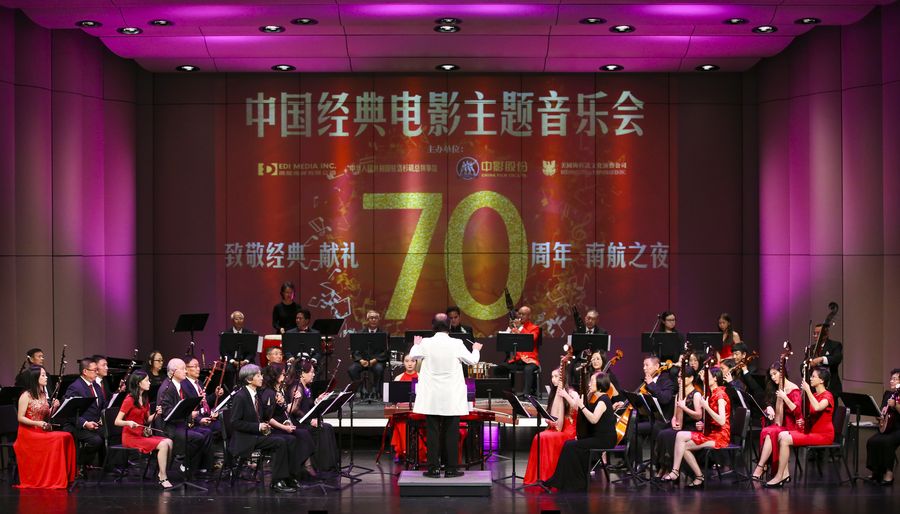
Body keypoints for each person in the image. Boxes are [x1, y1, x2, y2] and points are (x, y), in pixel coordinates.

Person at [409, 313, 482, 478]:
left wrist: (415, 344)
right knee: (451, 433)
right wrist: (476, 350)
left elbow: (413, 356)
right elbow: (472, 361)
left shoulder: (425, 343)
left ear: (432, 327)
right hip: (451, 396)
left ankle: (433, 469)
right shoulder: (457, 343)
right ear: (449, 326)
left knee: (432, 432)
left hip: (432, 396)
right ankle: (451, 469)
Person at [544, 372, 617, 492]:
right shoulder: (596, 397)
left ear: (600, 383)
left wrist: (582, 406)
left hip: (605, 440)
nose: (589, 384)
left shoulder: (603, 400)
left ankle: (568, 482)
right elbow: (585, 415)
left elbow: (593, 419)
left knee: (571, 446)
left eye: (592, 381)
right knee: (568, 444)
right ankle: (562, 480)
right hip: (596, 437)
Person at [228, 364, 296, 492]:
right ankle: (276, 482)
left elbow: (265, 415)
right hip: (245, 438)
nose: (261, 378)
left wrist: (277, 403)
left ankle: (288, 477)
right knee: (279, 442)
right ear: (249, 379)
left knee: (290, 439)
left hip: (256, 435)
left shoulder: (257, 394)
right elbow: (235, 423)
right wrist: (258, 426)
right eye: (258, 375)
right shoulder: (241, 396)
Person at [764, 366, 835, 488]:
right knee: (781, 434)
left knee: (785, 439)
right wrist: (804, 421)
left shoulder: (827, 396)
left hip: (823, 435)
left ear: (822, 380)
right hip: (812, 432)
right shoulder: (814, 395)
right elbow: (811, 415)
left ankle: (780, 476)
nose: (810, 379)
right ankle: (784, 473)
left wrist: (807, 391)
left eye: (813, 376)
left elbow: (817, 407)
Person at [661, 366, 731, 487]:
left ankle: (695, 475)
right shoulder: (711, 393)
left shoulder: (720, 395)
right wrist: (703, 424)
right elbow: (712, 419)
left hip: (720, 436)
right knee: (680, 436)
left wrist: (706, 407)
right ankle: (677, 471)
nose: (704, 378)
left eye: (707, 376)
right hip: (711, 432)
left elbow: (721, 421)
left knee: (683, 446)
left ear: (715, 378)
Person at [13, 366, 76, 489]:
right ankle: (55, 478)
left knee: (67, 436)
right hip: (28, 433)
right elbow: (20, 418)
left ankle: (65, 476)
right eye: (43, 375)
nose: (46, 377)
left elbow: (46, 415)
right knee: (58, 439)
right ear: (35, 378)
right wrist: (38, 423)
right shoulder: (25, 395)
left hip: (41, 431)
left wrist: (54, 407)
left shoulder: (42, 394)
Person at [115, 370, 174, 489]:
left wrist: (156, 414)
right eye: (147, 380)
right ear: (138, 383)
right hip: (130, 437)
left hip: (141, 435)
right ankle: (163, 477)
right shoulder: (129, 399)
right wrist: (128, 422)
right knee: (163, 445)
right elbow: (117, 421)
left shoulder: (145, 398)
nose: (149, 383)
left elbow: (147, 420)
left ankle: (160, 472)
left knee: (169, 441)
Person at [156, 358, 212, 475]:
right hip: (169, 428)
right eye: (182, 369)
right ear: (173, 372)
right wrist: (189, 415)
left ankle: (194, 467)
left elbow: (185, 407)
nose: (185, 371)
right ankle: (187, 466)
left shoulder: (178, 385)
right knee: (197, 438)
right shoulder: (167, 388)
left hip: (179, 424)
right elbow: (167, 413)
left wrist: (196, 415)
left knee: (206, 432)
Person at [260, 363, 315, 481]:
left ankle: (301, 468)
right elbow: (267, 418)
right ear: (275, 376)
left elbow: (286, 409)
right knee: (300, 435)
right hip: (274, 428)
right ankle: (300, 469)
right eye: (282, 374)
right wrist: (284, 427)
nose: (285, 376)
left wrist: (295, 400)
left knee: (303, 433)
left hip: (283, 423)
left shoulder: (280, 390)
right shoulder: (269, 393)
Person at [524, 367, 578, 484]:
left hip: (569, 431)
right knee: (539, 437)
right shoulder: (554, 394)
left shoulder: (573, 393)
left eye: (556, 376)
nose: (553, 379)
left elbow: (578, 407)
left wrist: (565, 395)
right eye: (552, 377)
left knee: (545, 437)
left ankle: (551, 477)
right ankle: (539, 477)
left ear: (563, 378)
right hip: (558, 429)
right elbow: (555, 418)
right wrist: (550, 421)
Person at [752, 362, 802, 480]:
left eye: (775, 374)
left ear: (782, 373)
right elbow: (770, 402)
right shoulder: (775, 387)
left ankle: (761, 466)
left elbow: (797, 412)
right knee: (767, 430)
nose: (773, 377)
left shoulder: (794, 389)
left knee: (771, 431)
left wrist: (785, 397)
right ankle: (763, 465)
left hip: (791, 425)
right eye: (771, 375)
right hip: (780, 423)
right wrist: (769, 407)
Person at [288, 360, 339, 472]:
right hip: (299, 422)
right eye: (311, 372)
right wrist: (310, 420)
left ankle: (329, 465)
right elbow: (295, 410)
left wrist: (317, 400)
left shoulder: (306, 387)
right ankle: (322, 465)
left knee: (328, 427)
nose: (314, 374)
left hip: (305, 419)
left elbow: (307, 405)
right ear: (302, 374)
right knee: (323, 429)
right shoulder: (297, 387)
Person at [655, 365, 703, 477]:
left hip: (692, 427)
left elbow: (698, 416)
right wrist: (673, 422)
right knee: (661, 433)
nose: (679, 379)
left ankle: (671, 469)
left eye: (683, 377)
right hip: (681, 426)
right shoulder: (678, 395)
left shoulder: (696, 394)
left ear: (691, 378)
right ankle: (663, 466)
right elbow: (674, 416)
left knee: (669, 435)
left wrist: (684, 407)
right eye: (679, 377)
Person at [62, 357, 106, 468]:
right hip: (77, 425)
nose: (97, 372)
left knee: (111, 434)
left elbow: (102, 405)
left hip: (95, 424)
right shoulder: (75, 387)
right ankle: (80, 464)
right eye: (94, 370)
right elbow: (70, 412)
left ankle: (104, 467)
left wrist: (102, 417)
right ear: (85, 371)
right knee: (96, 440)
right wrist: (85, 423)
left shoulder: (96, 385)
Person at [495, 306, 541, 397]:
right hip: (518, 360)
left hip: (530, 360)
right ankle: (506, 393)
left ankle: (527, 394)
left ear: (529, 316)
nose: (520, 316)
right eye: (519, 314)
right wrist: (510, 328)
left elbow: (531, 339)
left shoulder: (534, 328)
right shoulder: (515, 328)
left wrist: (520, 327)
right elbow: (505, 339)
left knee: (528, 369)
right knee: (499, 368)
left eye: (523, 314)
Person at [866, 369, 900, 485]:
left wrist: (896, 405)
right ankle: (876, 471)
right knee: (872, 441)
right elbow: (881, 412)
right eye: (891, 379)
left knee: (887, 442)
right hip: (887, 428)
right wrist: (879, 417)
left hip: (898, 429)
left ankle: (889, 473)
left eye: (895, 379)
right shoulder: (888, 394)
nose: (891, 381)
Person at [390, 355, 424, 462]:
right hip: (403, 411)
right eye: (407, 361)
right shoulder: (398, 378)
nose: (410, 363)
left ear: (416, 363)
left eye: (412, 361)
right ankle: (401, 452)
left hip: (418, 410)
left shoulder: (422, 377)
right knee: (401, 422)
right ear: (403, 362)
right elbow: (394, 399)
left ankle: (419, 453)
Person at [347, 310, 387, 398]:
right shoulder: (360, 333)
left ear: (379, 319)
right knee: (352, 369)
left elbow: (385, 352)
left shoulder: (383, 334)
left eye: (376, 318)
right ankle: (361, 389)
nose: (373, 320)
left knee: (379, 369)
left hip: (376, 361)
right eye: (371, 318)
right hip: (363, 361)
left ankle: (375, 389)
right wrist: (361, 360)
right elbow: (355, 350)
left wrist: (374, 360)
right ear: (367, 320)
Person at [808, 323, 843, 405]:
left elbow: (837, 359)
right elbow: (803, 365)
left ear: (825, 334)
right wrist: (808, 365)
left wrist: (822, 359)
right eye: (814, 333)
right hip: (815, 390)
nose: (815, 336)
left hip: (831, 387)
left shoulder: (835, 345)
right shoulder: (811, 348)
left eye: (818, 333)